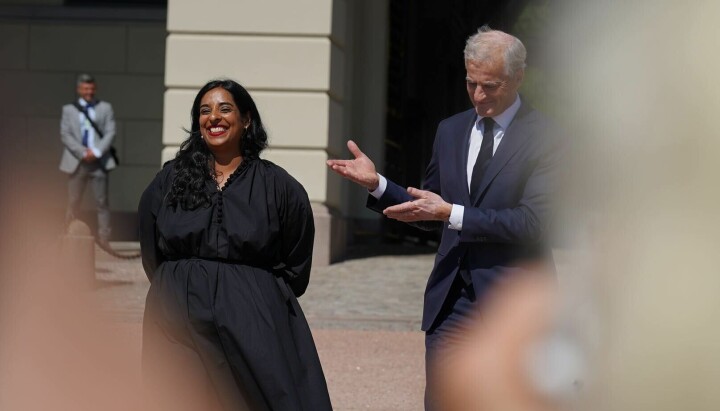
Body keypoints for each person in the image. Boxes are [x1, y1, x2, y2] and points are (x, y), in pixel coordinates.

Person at [327, 26, 564, 409]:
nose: (479, 95)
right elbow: (429, 208)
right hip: (450, 302)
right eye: (471, 83)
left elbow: (533, 222)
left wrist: (451, 212)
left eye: (491, 85)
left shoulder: (549, 137)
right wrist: (377, 185)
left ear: (519, 77)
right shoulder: (450, 130)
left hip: (513, 304)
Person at [138, 79, 332, 411]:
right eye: (204, 110)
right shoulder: (170, 180)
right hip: (176, 314)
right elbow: (151, 250)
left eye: (224, 108)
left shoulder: (279, 187)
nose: (213, 117)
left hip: (251, 317)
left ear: (246, 120)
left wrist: (253, 293)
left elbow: (296, 263)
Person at [59, 73, 116, 245]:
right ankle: (68, 234)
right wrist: (83, 152)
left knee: (102, 202)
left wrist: (97, 151)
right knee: (73, 200)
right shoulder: (68, 110)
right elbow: (65, 134)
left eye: (91, 88)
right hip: (77, 161)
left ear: (95, 89)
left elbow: (110, 132)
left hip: (98, 161)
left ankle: (104, 239)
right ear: (79, 90)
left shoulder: (105, 108)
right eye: (85, 88)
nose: (88, 92)